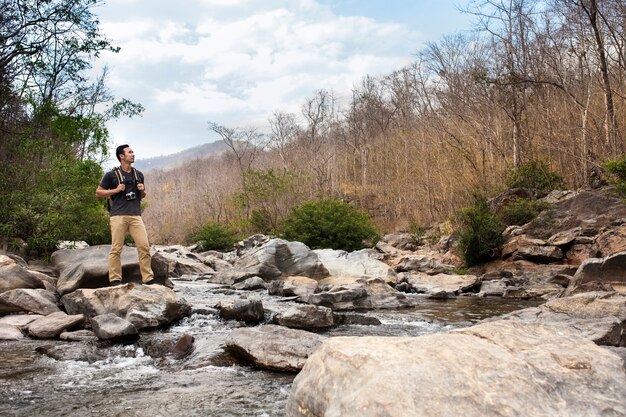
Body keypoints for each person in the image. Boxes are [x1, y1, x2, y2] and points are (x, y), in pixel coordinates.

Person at [96, 144, 156, 286]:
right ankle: (115, 279)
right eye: (130, 152)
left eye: (133, 152)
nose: (133, 154)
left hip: (135, 215)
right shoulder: (111, 174)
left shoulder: (139, 174)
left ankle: (148, 279)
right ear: (121, 156)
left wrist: (142, 190)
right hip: (118, 216)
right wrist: (115, 190)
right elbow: (98, 193)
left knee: (144, 247)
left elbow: (141, 196)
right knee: (116, 248)